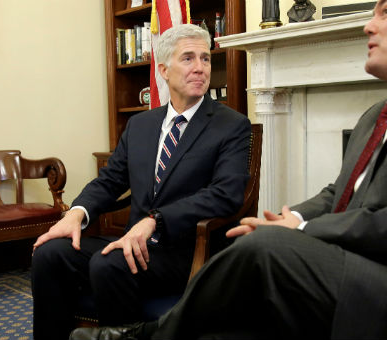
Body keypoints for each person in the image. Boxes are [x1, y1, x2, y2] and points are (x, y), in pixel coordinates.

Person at [71, 0, 387, 339]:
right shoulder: (379, 113)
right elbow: (338, 193)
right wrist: (293, 217)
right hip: (378, 272)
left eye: (386, 10)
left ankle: (141, 338)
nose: (369, 23)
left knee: (265, 252)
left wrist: (299, 232)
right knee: (256, 251)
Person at [31, 24, 251, 340]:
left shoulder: (231, 125)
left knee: (110, 265)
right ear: (163, 69)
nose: (200, 67)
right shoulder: (141, 125)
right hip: (133, 243)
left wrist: (155, 221)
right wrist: (77, 213)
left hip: (186, 250)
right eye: (188, 58)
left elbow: (225, 195)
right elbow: (109, 181)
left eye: (205, 58)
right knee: (50, 253)